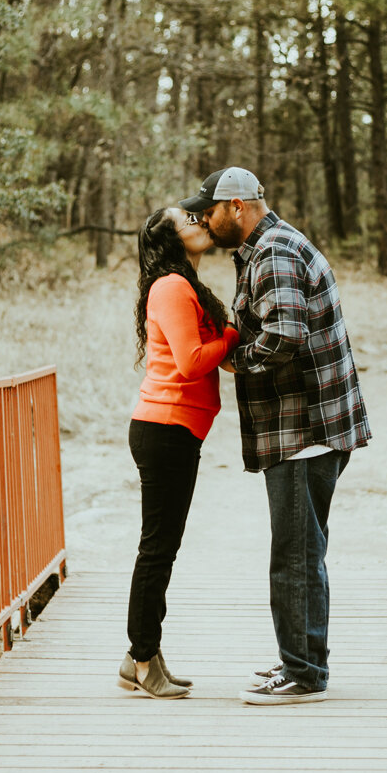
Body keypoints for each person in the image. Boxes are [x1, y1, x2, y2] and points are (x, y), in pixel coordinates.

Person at [179, 168, 370, 705]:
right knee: (302, 549)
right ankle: (301, 659)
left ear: (236, 207)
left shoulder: (275, 253)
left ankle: (304, 673)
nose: (205, 221)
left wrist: (235, 362)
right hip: (307, 426)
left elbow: (285, 333)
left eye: (210, 211)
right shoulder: (269, 248)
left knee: (295, 554)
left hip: (303, 428)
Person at [120, 207, 239, 700]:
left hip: (176, 430)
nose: (200, 220)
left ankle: (138, 659)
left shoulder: (183, 284)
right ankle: (144, 658)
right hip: (164, 428)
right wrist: (233, 334)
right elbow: (192, 363)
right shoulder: (170, 286)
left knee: (161, 547)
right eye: (189, 217)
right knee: (157, 550)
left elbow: (212, 361)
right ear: (171, 236)